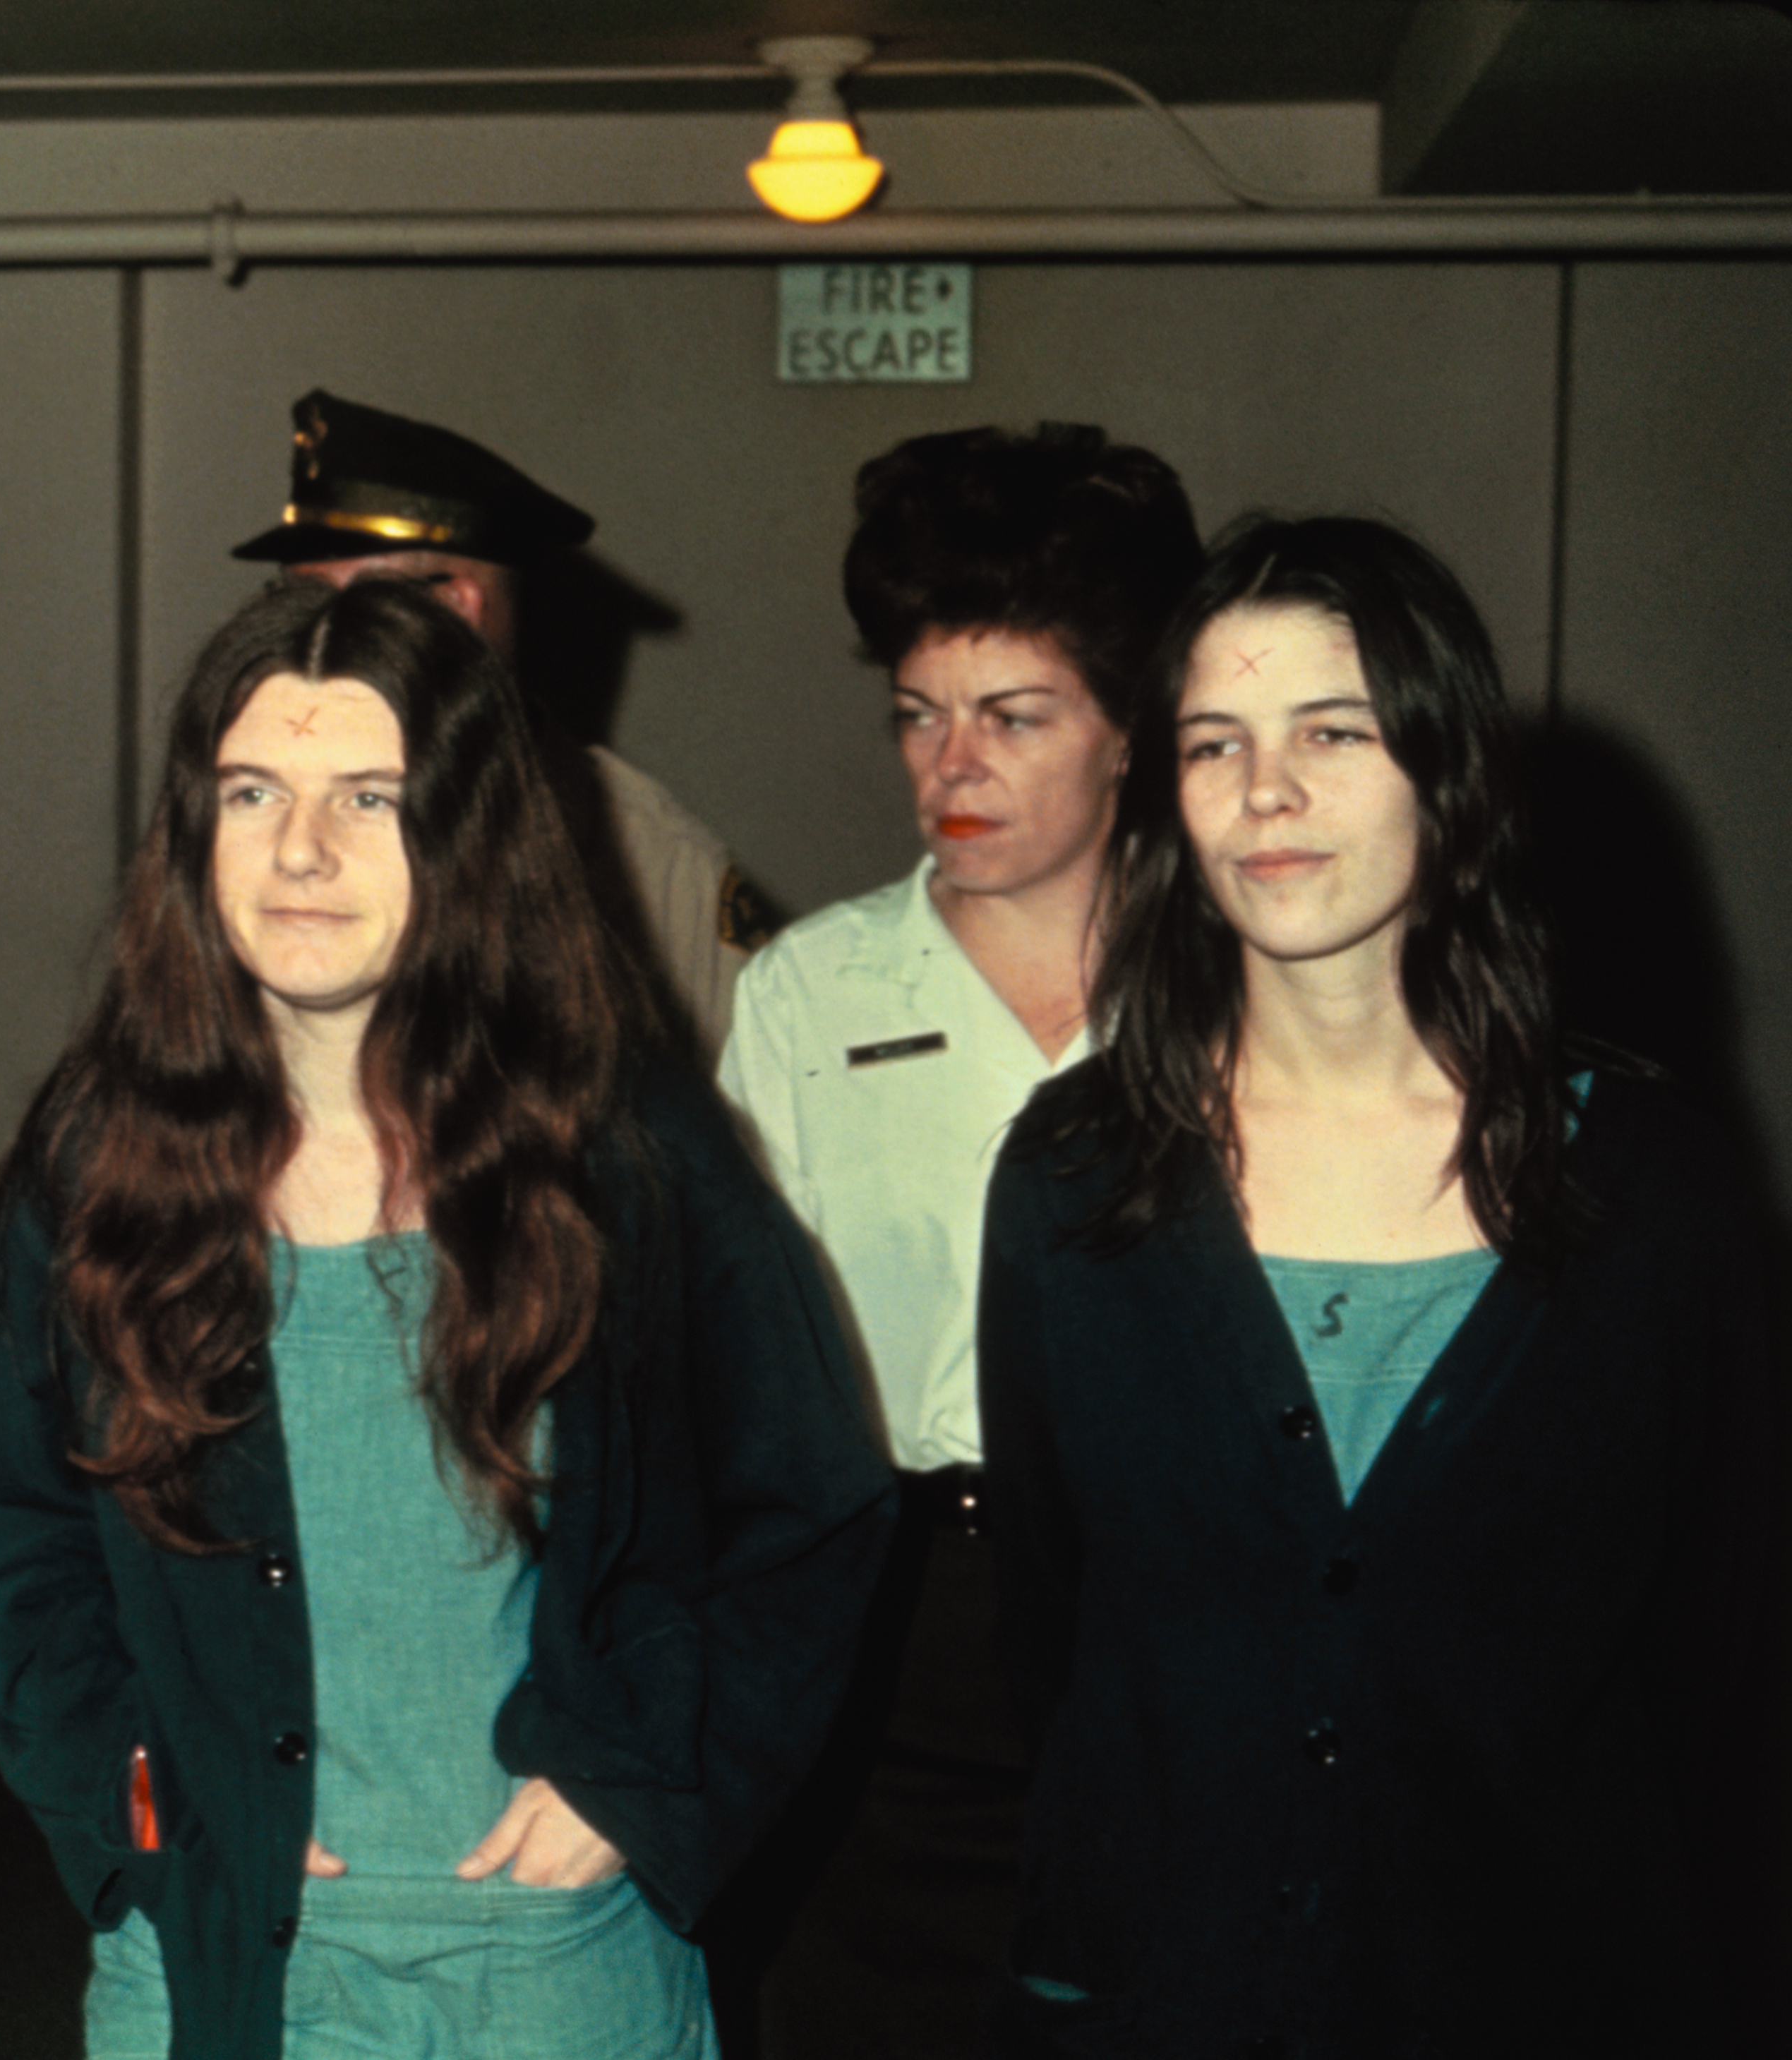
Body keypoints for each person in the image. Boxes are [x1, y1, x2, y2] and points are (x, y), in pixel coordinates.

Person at [0, 576, 894, 2060]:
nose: (300, 850)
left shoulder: (621, 1148)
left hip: (549, 1960)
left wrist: (642, 1776)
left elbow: (805, 1504)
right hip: (212, 1951)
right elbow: (11, 1531)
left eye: (369, 797)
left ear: (465, 830)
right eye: (251, 791)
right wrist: (138, 1790)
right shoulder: (99, 1156)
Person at [979, 516, 1766, 2054]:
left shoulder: (1656, 1189)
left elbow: (1724, 1677)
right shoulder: (1073, 1176)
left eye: (1329, 733)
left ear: (1441, 769)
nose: (1265, 793)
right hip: (1161, 2001)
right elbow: (1049, 1635)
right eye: (1214, 744)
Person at [712, 423, 1198, 2056]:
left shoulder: (1235, 989)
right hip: (899, 1615)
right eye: (919, 717)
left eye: (1011, 717)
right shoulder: (813, 992)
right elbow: (734, 1358)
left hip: (1175, 1591)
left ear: (1129, 733)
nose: (950, 767)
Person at [234, 388, 771, 1057]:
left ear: (460, 608)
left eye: (361, 607)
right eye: (298, 601)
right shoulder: (246, 829)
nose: (319, 638)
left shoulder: (649, 864)